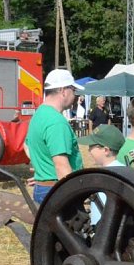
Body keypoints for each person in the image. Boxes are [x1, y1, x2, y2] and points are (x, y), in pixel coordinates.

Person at [24, 69, 84, 204]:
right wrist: (74, 197)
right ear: (63, 91)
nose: (74, 95)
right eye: (73, 90)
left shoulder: (39, 114)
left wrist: (43, 172)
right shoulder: (56, 121)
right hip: (57, 191)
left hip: (44, 188)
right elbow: (61, 166)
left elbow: (27, 146)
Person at [78, 124, 125, 225]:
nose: (89, 150)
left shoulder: (105, 177)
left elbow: (102, 214)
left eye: (92, 146)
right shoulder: (124, 170)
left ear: (106, 150)